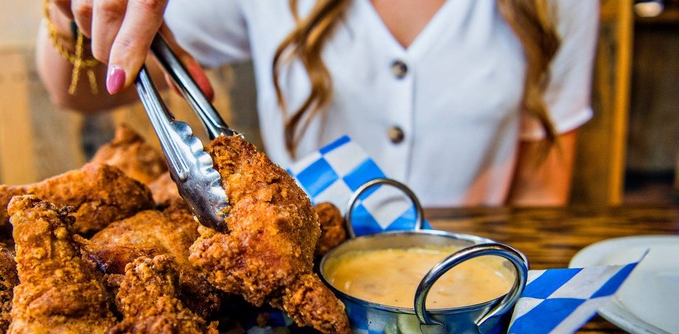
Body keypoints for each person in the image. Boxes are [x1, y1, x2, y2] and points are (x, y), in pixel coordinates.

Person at [37, 0, 599, 207]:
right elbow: (75, 94)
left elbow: (542, 187)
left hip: (462, 287)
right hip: (299, 296)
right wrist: (69, 12)